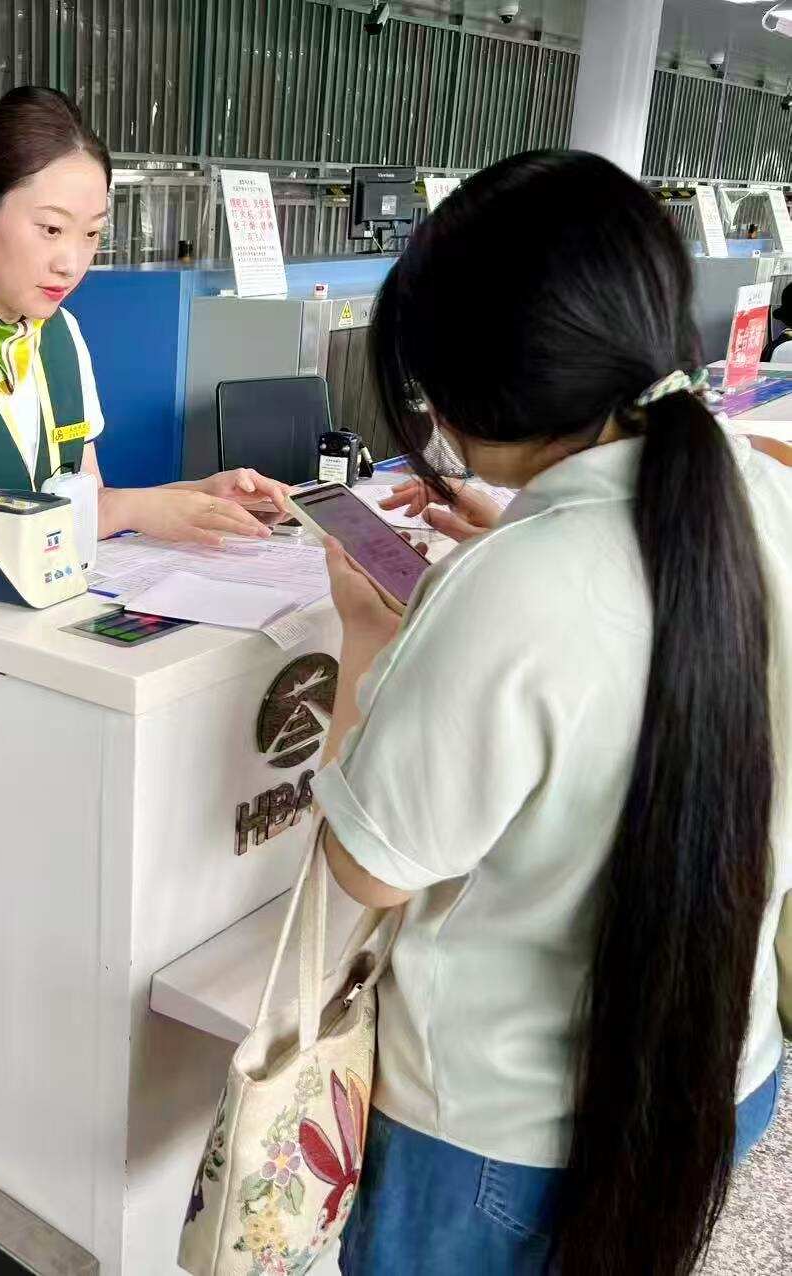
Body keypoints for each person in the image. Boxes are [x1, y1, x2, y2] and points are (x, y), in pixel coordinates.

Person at [308, 150, 791, 1275]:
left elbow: (372, 864)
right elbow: (638, 633)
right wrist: (520, 528)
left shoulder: (511, 589)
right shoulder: (758, 489)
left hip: (499, 1145)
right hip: (731, 1069)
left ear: (476, 394)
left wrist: (369, 644)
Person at [0, 86, 284, 794]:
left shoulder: (61, 338)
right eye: (51, 229)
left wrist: (195, 495)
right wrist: (141, 508)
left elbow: (88, 500)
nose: (71, 262)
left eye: (90, 233)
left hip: (47, 658)